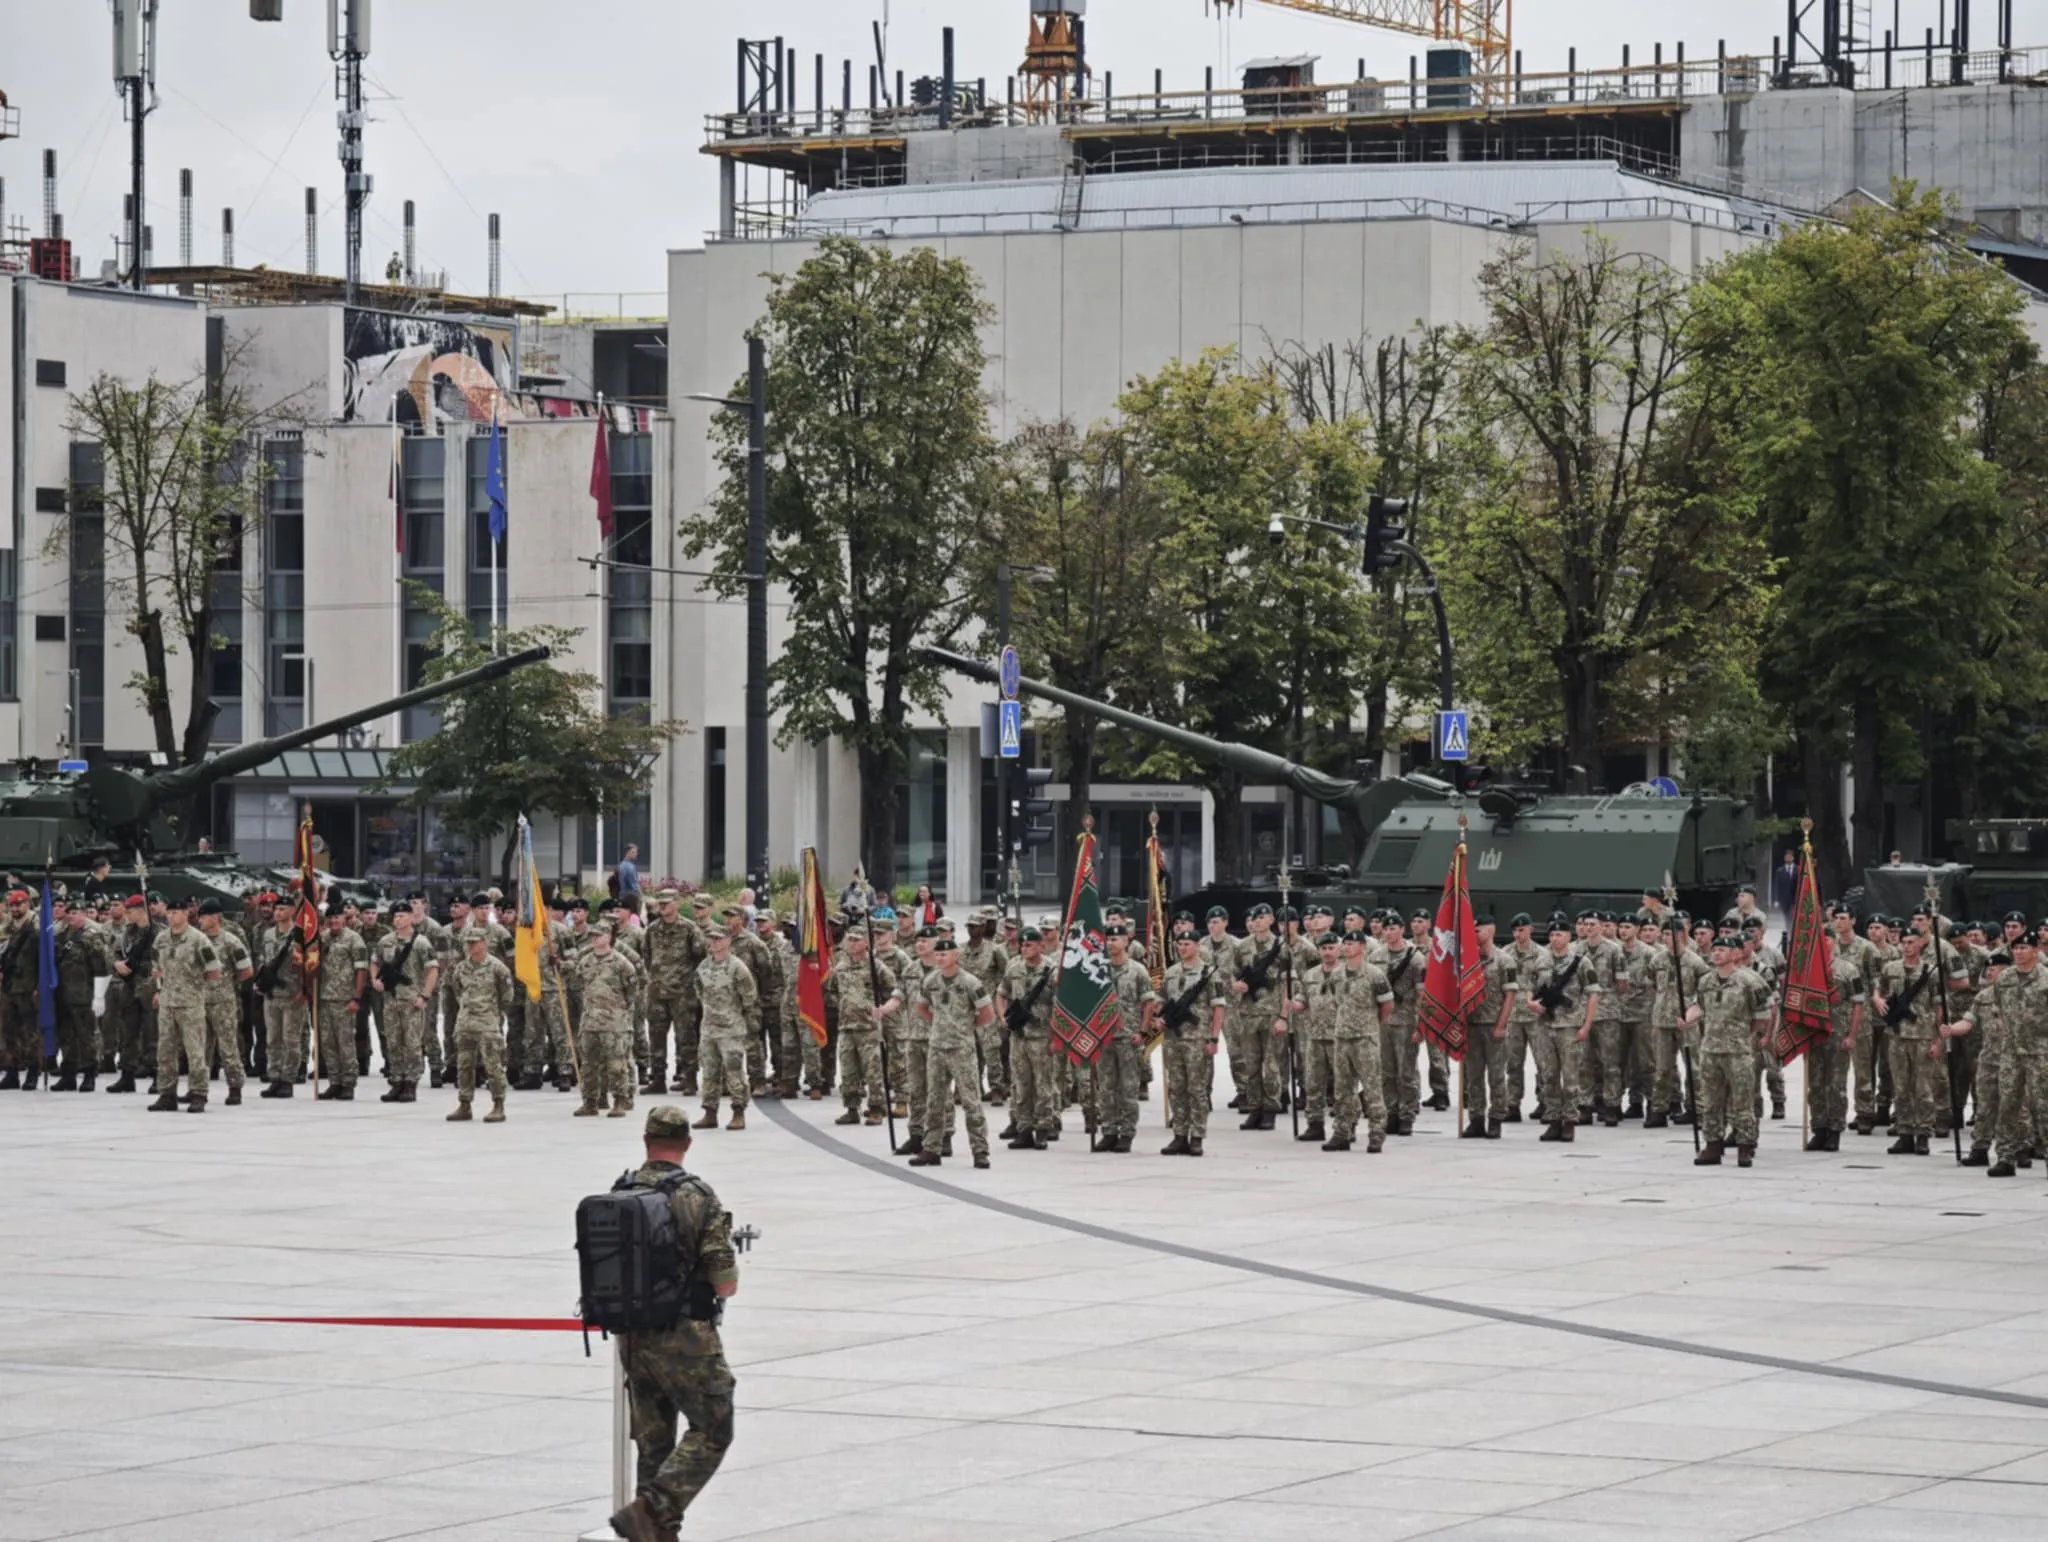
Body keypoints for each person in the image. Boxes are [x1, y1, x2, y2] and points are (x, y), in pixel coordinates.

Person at [608, 1106, 738, 1542]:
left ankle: (657, 1535)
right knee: (714, 1426)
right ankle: (653, 1508)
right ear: (687, 1143)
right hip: (684, 1335)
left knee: (653, 1442)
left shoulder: (621, 1189)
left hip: (631, 1334)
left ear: (646, 1141)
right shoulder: (696, 1195)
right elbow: (725, 1283)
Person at [146, 898, 223, 1113]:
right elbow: (156, 968)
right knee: (165, 1051)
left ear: (186, 914)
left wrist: (194, 984)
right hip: (168, 1003)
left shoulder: (199, 940)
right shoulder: (161, 939)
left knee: (195, 1051)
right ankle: (167, 1093)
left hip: (190, 1004)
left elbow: (214, 970)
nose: (171, 916)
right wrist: (160, 990)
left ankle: (198, 1093)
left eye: (176, 912)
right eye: (169, 913)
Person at [445, 931, 514, 1123]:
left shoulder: (497, 968)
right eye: (468, 943)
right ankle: (464, 1104)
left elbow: (507, 996)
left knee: (493, 1065)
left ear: (485, 943)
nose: (470, 946)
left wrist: (492, 1012)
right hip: (466, 1022)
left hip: (488, 1023)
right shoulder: (461, 968)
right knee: (464, 1065)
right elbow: (457, 991)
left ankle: (498, 1104)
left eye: (474, 943)